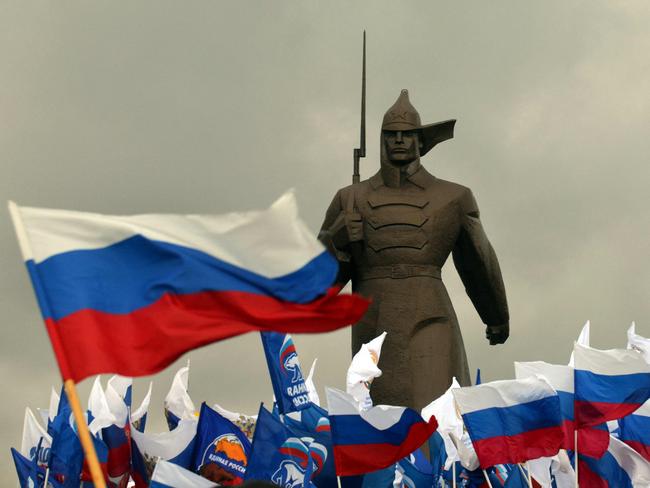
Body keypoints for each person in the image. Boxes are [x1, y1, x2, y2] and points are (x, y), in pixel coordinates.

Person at [319, 90, 509, 410]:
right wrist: (336, 240)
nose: (399, 141)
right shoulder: (350, 198)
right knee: (379, 422)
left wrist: (496, 316)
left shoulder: (453, 198)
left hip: (430, 315)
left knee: (434, 415)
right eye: (391, 134)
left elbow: (479, 261)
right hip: (372, 320)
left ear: (421, 141)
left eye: (407, 135)